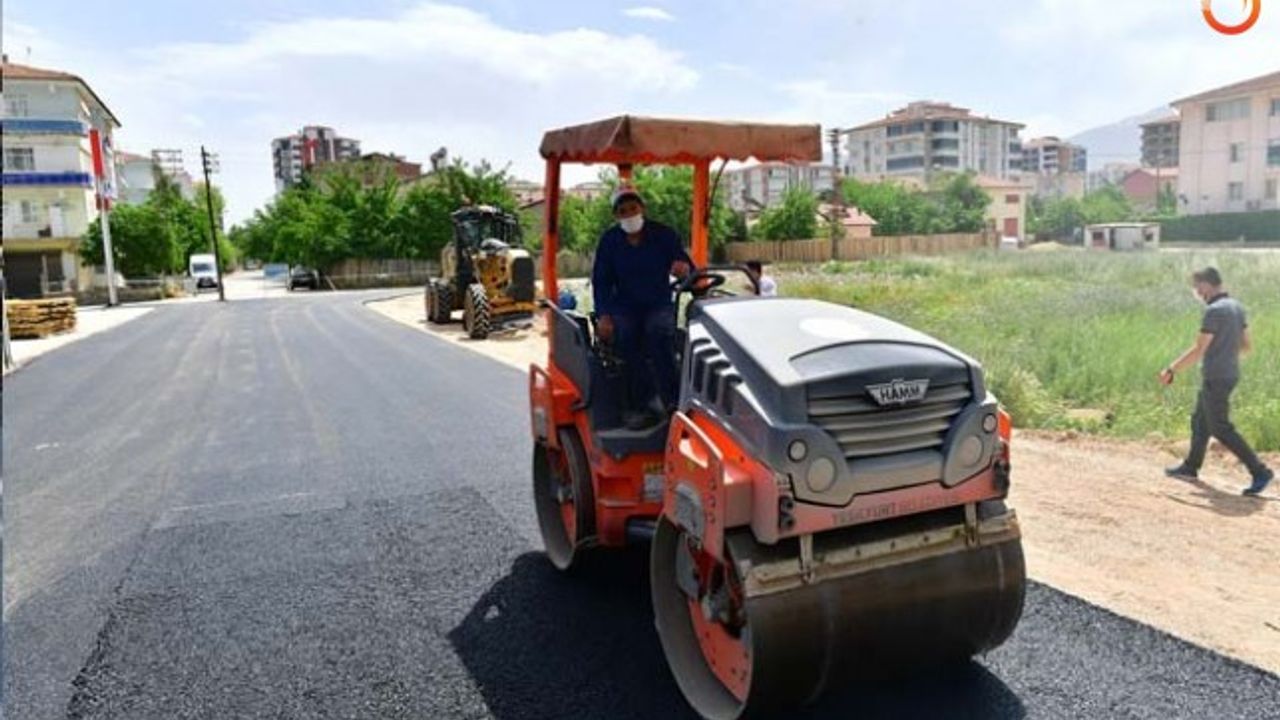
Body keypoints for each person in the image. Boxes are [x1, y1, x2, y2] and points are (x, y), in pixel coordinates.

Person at [1161, 267, 1273, 496]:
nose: (1197, 292)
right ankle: (1191, 466)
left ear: (1207, 284)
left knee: (1220, 428)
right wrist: (1225, 353)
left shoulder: (1214, 310)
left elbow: (1199, 349)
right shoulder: (1236, 307)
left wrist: (1172, 369)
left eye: (1197, 286)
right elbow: (1246, 345)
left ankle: (1260, 471)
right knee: (1200, 421)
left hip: (1217, 376)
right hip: (1229, 373)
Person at [592, 186, 692, 428]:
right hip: (624, 306)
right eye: (623, 211)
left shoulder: (663, 235)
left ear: (642, 209)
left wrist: (685, 268)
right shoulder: (609, 242)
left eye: (633, 208)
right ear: (616, 216)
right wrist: (604, 315)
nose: (630, 214)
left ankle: (672, 402)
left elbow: (686, 265)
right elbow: (602, 281)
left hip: (657, 301)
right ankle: (640, 405)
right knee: (627, 338)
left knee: (659, 334)